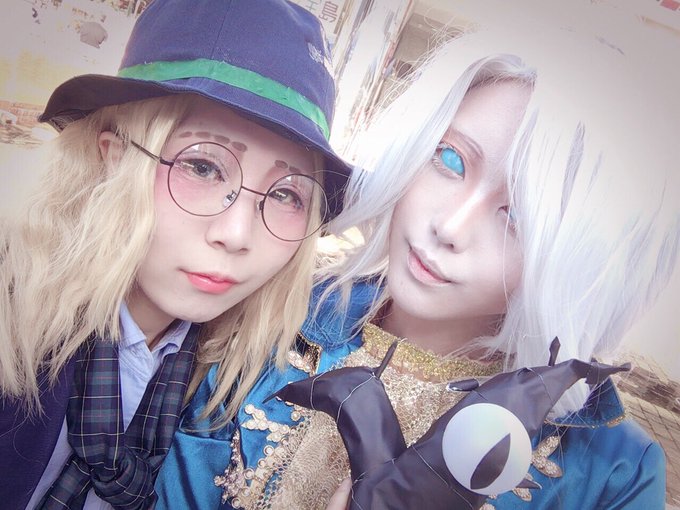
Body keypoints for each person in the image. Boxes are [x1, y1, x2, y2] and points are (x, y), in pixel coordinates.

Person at [158, 2, 680, 509]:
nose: (449, 227)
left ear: (582, 263)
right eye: (450, 158)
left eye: (518, 217)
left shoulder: (612, 474)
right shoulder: (268, 316)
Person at [0, 1, 350, 509]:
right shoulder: (13, 312)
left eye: (285, 194)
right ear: (114, 158)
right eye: (203, 167)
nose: (236, 234)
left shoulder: (244, 392)